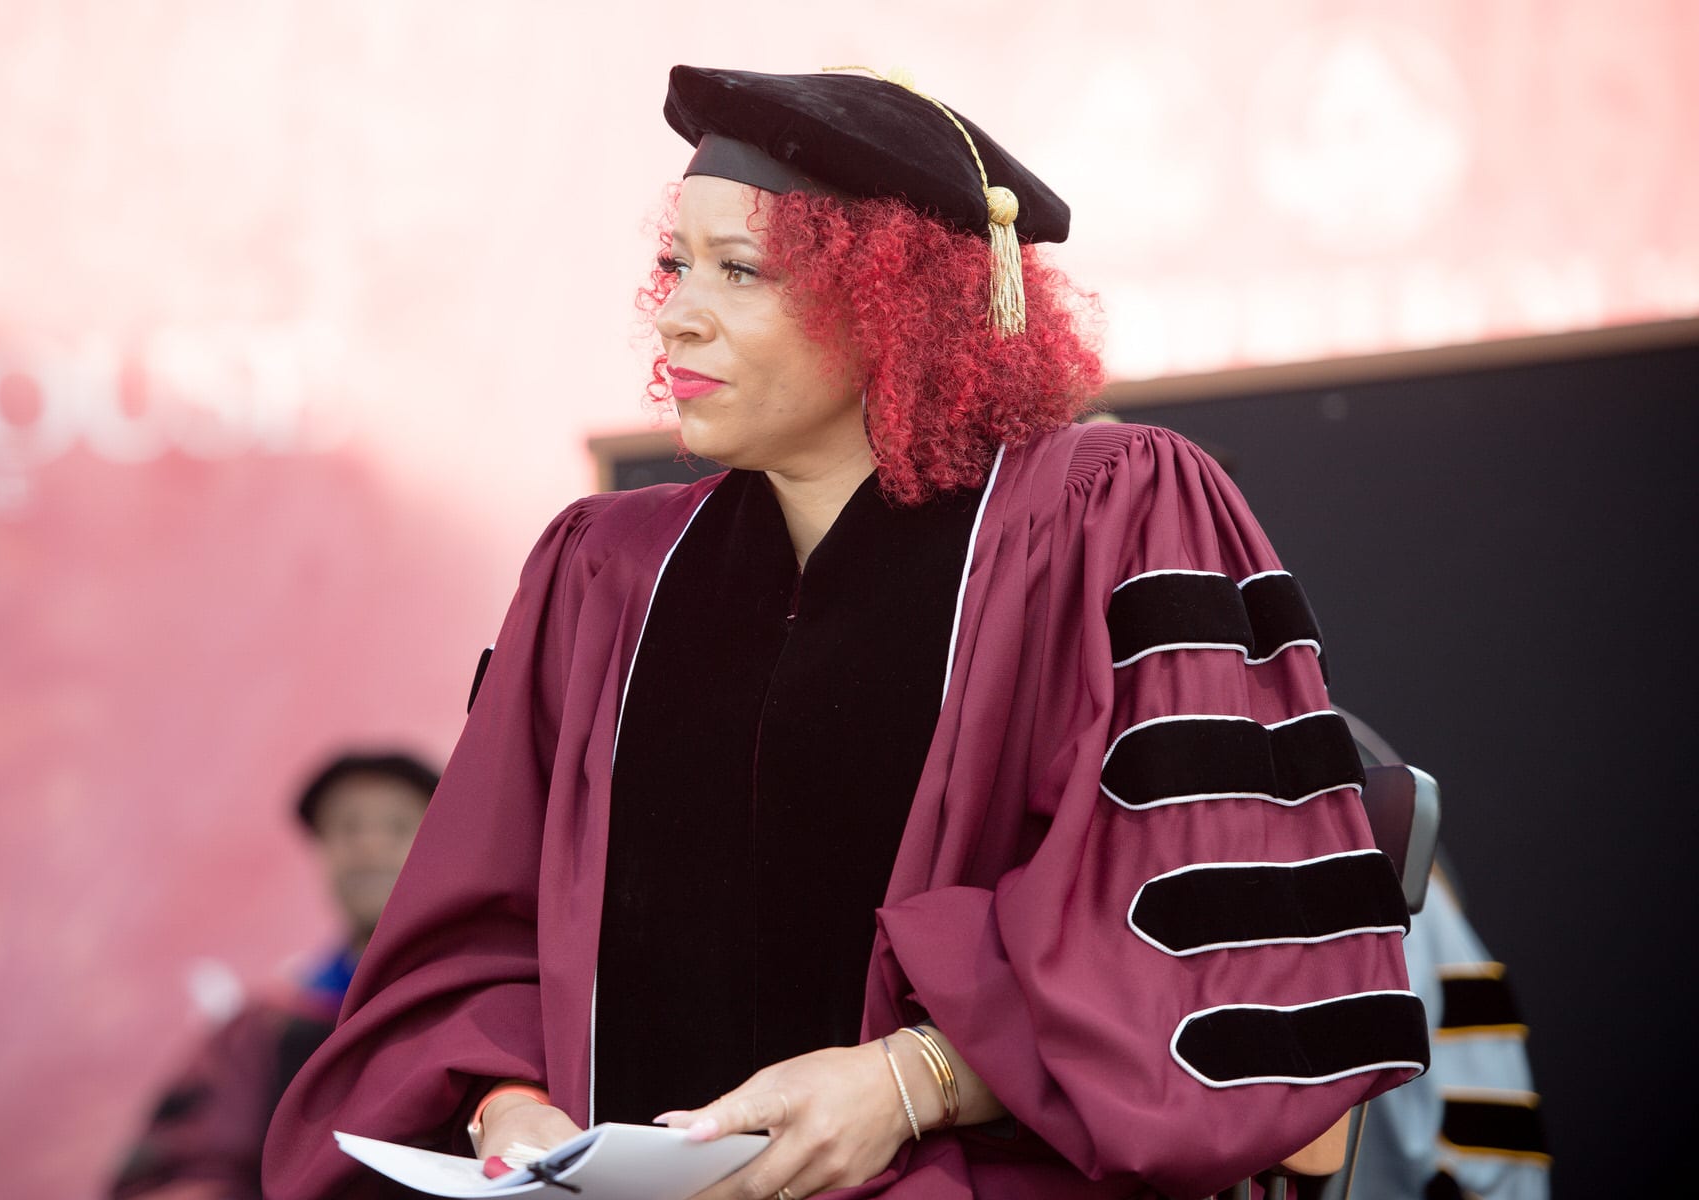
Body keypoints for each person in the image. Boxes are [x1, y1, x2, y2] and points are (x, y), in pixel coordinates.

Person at [264, 66, 1430, 1200]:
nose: (675, 311)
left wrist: (913, 1080)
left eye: (739, 271)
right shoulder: (606, 573)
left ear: (895, 306)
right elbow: (478, 927)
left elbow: (1208, 930)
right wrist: (506, 1101)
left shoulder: (1102, 515)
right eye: (674, 263)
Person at [111, 750, 438, 1200]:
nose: (369, 845)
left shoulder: (476, 1006)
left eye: (399, 827)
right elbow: (187, 1164)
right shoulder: (265, 1026)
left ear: (443, 848)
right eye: (346, 828)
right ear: (322, 852)